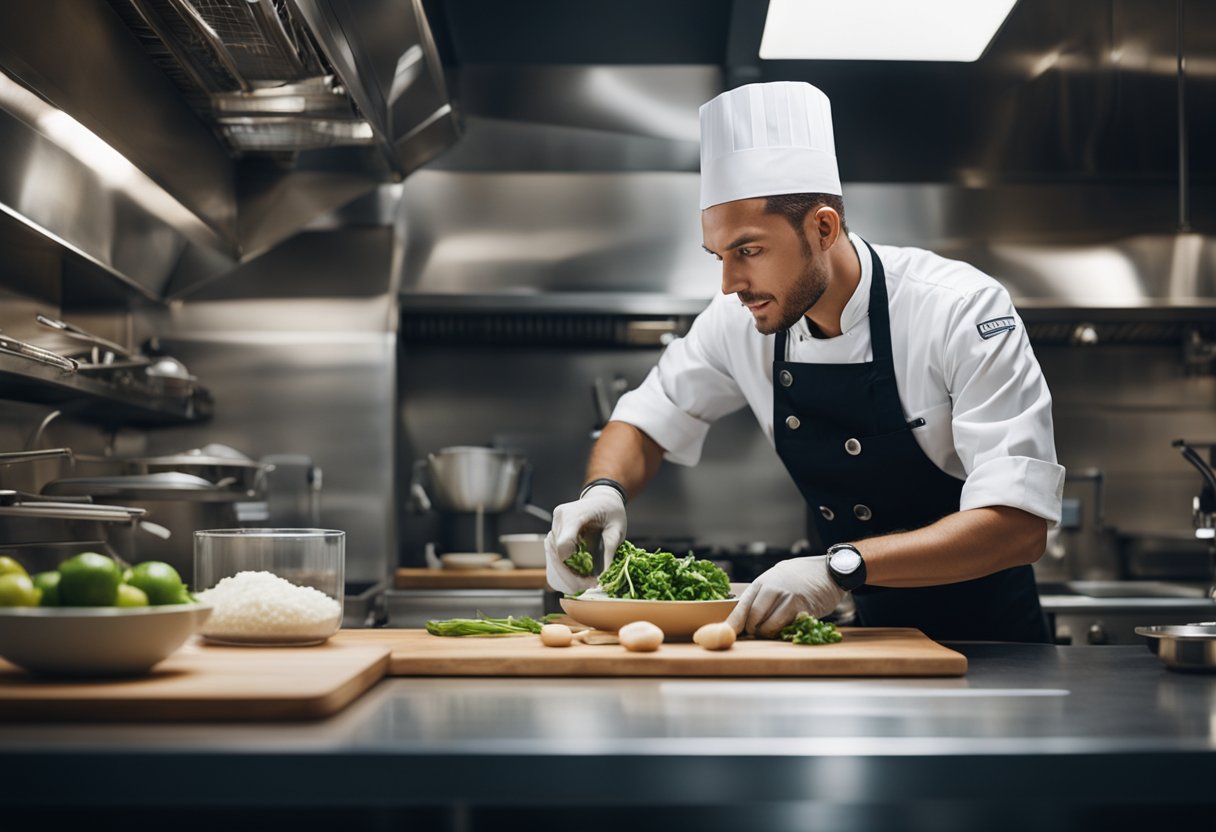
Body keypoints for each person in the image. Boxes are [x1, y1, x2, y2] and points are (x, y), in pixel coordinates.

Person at [544, 81, 1065, 643]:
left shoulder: (958, 309)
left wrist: (838, 567)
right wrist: (603, 494)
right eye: (718, 257)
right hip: (868, 642)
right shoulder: (741, 320)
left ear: (823, 227)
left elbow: (1019, 524)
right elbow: (646, 419)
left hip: (994, 648)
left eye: (748, 250)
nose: (730, 284)